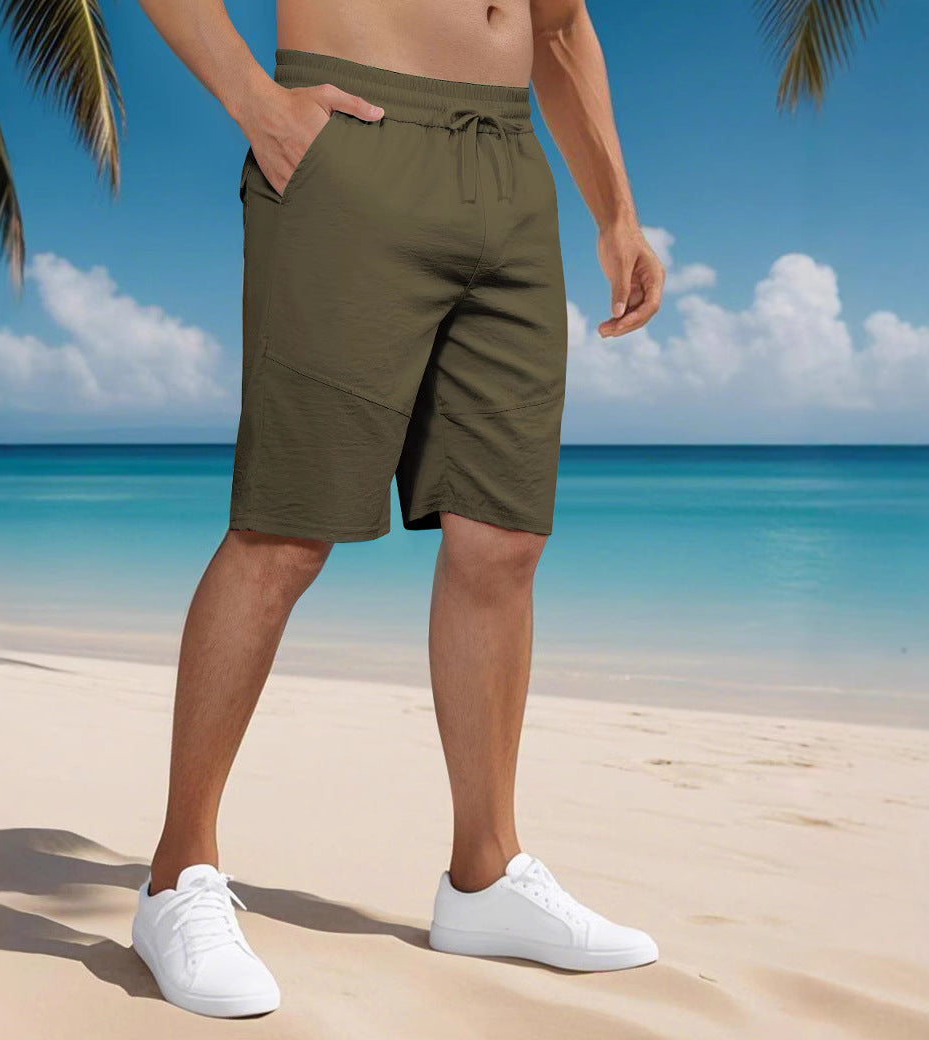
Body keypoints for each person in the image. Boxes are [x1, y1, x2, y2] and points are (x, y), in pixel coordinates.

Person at [131, 0, 665, 1018]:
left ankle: (485, 875)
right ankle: (176, 876)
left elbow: (556, 25)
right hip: (354, 141)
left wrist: (614, 211)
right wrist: (256, 103)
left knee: (503, 536)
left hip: (510, 168)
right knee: (284, 530)